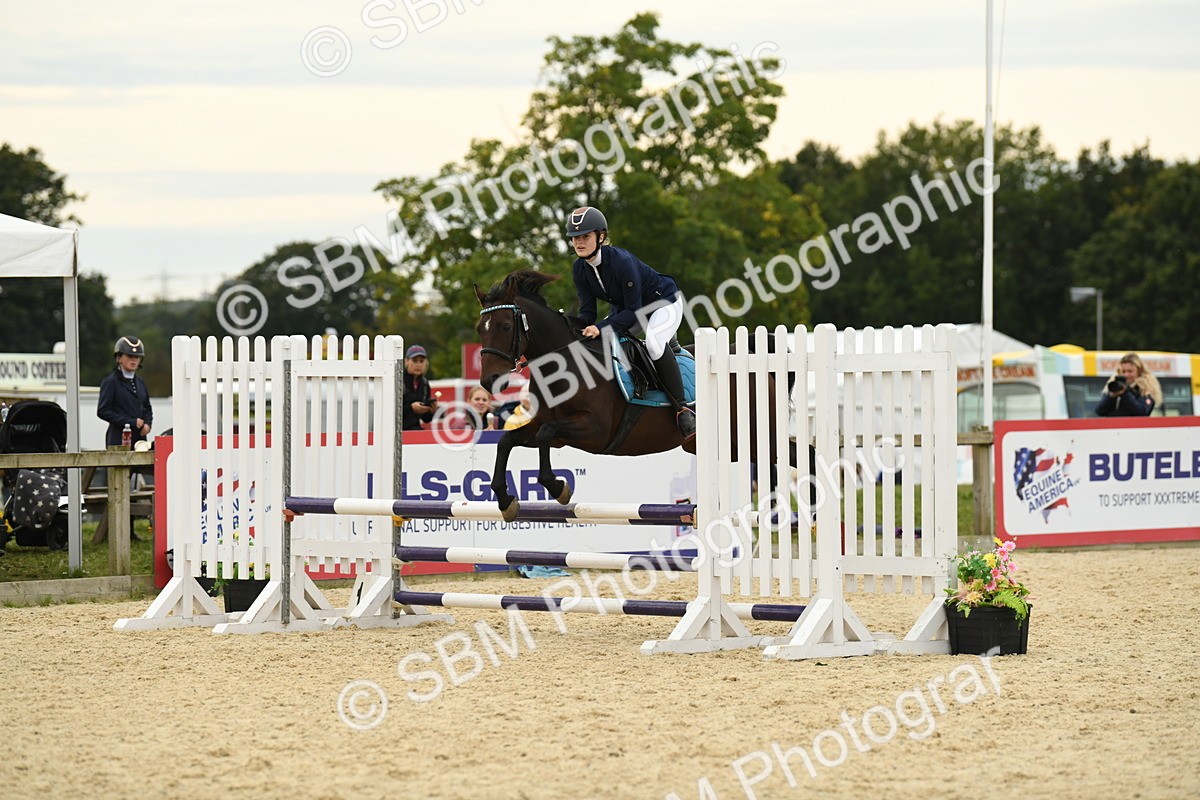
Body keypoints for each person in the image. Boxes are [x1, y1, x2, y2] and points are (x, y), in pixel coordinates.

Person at [565, 205, 695, 442]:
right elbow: (588, 312)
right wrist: (567, 326)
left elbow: (634, 312)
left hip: (662, 303)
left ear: (600, 236)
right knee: (600, 342)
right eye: (575, 238)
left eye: (585, 236)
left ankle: (683, 410)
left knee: (654, 344)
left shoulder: (621, 261)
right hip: (627, 310)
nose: (579, 243)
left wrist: (601, 328)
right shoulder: (579, 269)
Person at [97, 336, 153, 447]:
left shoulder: (141, 383)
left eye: (137, 357)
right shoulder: (111, 382)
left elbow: (147, 408)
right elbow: (103, 411)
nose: (134, 360)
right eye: (130, 356)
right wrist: (130, 422)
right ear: (119, 358)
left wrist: (147, 424)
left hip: (139, 441)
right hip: (118, 440)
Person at [1095, 352, 1161, 417]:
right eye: (1123, 371)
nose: (1126, 375)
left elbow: (1142, 412)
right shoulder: (1114, 386)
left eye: (1130, 371)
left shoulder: (1146, 389)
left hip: (1134, 427)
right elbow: (1099, 411)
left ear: (1139, 371)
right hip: (1113, 426)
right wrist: (1111, 396)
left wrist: (1125, 393)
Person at [402, 345, 438, 431]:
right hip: (395, 431)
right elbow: (389, 410)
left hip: (415, 429)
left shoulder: (424, 383)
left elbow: (426, 419)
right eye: (414, 361)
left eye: (421, 361)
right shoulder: (398, 380)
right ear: (406, 361)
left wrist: (431, 410)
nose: (418, 365)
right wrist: (411, 408)